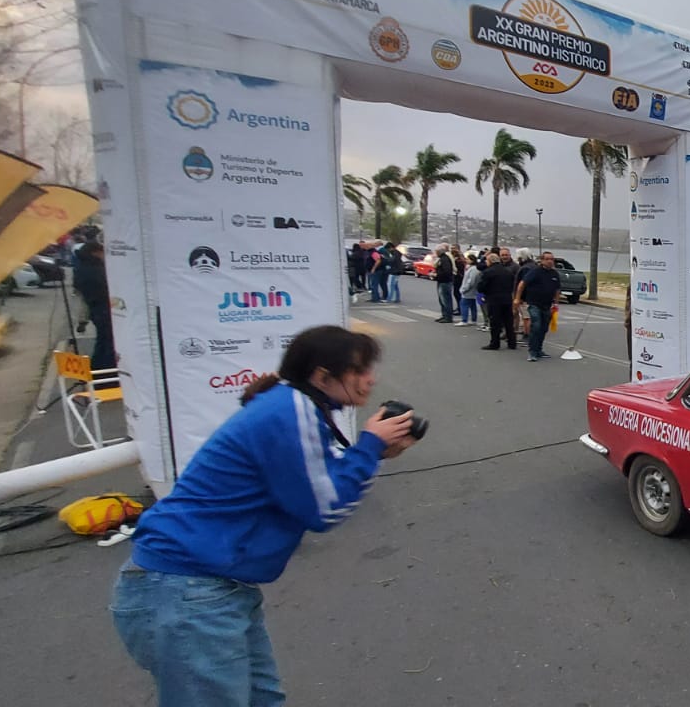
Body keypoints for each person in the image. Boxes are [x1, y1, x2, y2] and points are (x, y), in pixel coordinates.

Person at [110, 325, 416, 706]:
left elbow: (319, 476)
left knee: (264, 699)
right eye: (360, 370)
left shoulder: (293, 405)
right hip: (185, 591)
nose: (372, 379)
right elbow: (325, 508)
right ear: (323, 376)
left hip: (203, 588)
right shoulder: (290, 410)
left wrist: (375, 452)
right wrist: (369, 447)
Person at [72, 241, 115, 370]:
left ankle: (98, 367)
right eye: (102, 253)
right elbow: (104, 288)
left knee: (103, 340)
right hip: (103, 308)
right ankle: (104, 368)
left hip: (95, 309)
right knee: (107, 341)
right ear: (95, 252)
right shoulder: (95, 269)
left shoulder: (81, 266)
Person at [517, 251, 561, 361]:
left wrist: (556, 303)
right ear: (542, 260)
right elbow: (522, 284)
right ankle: (532, 351)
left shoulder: (554, 274)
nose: (550, 261)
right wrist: (517, 298)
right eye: (547, 259)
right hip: (534, 304)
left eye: (552, 259)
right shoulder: (535, 272)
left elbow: (557, 289)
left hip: (547, 305)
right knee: (536, 326)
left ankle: (539, 350)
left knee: (544, 328)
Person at [477, 253, 518, 350]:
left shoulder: (488, 272)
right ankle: (512, 342)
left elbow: (481, 287)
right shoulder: (508, 271)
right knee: (508, 321)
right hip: (507, 298)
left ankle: (495, 343)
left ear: (490, 261)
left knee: (495, 322)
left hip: (493, 299)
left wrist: (484, 291)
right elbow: (513, 284)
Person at [433, 243, 455, 323]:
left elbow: (447, 271)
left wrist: (437, 275)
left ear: (439, 252)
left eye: (436, 251)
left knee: (446, 300)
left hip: (445, 281)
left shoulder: (444, 259)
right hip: (441, 281)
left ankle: (448, 317)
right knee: (442, 300)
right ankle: (444, 315)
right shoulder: (441, 258)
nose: (435, 253)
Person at [457, 255, 480, 327]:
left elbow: (471, 281)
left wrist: (464, 289)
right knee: (472, 305)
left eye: (468, 259)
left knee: (464, 304)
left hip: (469, 291)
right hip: (472, 291)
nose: (466, 260)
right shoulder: (472, 268)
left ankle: (464, 320)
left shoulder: (473, 269)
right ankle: (473, 320)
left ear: (472, 260)